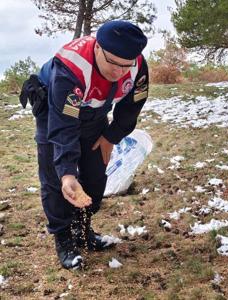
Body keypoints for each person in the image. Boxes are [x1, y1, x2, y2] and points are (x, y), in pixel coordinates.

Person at [20, 20, 149, 269]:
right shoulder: (72, 68)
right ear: (98, 48)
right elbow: (63, 126)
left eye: (126, 65)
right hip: (54, 111)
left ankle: (82, 230)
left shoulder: (137, 65)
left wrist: (111, 136)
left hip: (94, 112)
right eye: (113, 62)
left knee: (94, 174)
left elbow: (133, 105)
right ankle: (64, 238)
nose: (119, 71)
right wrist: (67, 172)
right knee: (57, 178)